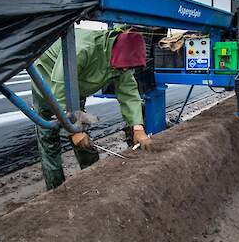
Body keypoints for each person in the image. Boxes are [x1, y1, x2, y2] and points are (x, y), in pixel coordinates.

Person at [32, 28, 152, 190]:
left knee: (84, 141)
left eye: (127, 68)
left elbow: (129, 93)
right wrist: (73, 132)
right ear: (114, 52)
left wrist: (137, 127)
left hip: (76, 91)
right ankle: (56, 191)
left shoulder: (123, 59)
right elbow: (59, 90)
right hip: (48, 86)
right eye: (122, 68)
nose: (124, 71)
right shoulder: (82, 49)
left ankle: (94, 184)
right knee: (50, 140)